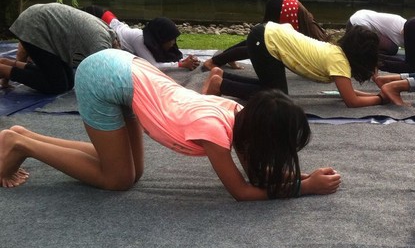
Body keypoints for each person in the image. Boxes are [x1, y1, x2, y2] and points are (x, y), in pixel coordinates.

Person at [0, 48, 341, 199]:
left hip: (126, 73)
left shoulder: (239, 116)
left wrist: (302, 177)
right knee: (118, 179)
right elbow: (240, 191)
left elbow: (255, 174)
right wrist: (303, 188)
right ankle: (21, 145)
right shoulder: (214, 132)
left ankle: (23, 133)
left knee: (131, 172)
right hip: (104, 78)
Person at [202, 22, 383, 108]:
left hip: (269, 36)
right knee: (277, 98)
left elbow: (348, 92)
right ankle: (221, 84)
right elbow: (351, 101)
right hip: (267, 40)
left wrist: (375, 94)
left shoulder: (337, 54)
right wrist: (381, 99)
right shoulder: (339, 61)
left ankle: (222, 76)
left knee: (272, 89)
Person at [0, 3, 116, 94]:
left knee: (69, 84)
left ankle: (7, 64)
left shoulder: (109, 33)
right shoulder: (101, 48)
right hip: (36, 26)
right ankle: (2, 69)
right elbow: (101, 80)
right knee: (57, 85)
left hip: (47, 30)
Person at [202, 0, 328, 71]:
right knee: (264, 45)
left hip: (283, 2)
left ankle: (224, 57)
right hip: (285, 7)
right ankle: (215, 61)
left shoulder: (317, 36)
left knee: (261, 40)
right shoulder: (321, 44)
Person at [82, 6, 199, 71]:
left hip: (112, 21)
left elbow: (172, 57)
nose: (173, 44)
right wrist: (181, 65)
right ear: (161, 37)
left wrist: (185, 61)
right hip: (102, 21)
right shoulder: (140, 39)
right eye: (170, 40)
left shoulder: (154, 41)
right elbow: (153, 66)